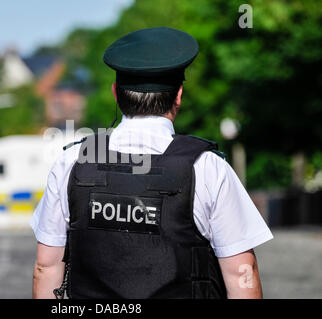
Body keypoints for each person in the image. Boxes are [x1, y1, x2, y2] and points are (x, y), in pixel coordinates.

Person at [31, 27, 273, 299]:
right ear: (178, 95)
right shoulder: (206, 168)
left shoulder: (73, 162)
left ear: (115, 93)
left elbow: (46, 266)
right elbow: (242, 273)